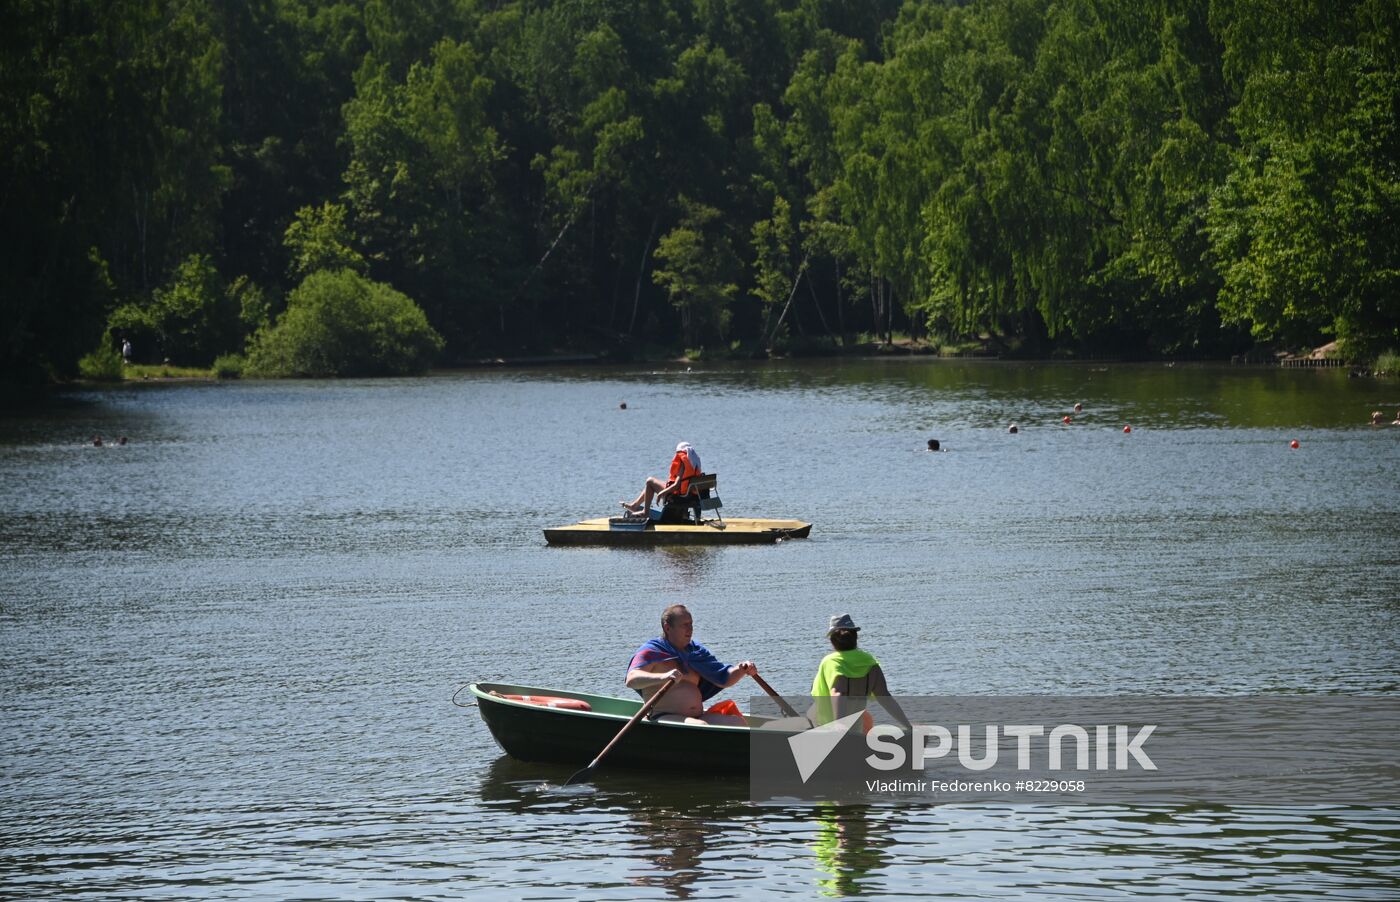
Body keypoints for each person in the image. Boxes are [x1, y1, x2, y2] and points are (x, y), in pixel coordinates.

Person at [625, 604, 756, 725]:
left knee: (738, 723)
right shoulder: (652, 651)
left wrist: (742, 669)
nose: (690, 629)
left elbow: (724, 678)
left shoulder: (696, 651)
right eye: (684, 625)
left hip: (698, 716)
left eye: (691, 624)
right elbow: (631, 679)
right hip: (663, 716)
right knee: (701, 726)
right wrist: (663, 677)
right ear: (667, 628)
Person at [811, 614, 911, 731]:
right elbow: (885, 698)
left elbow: (838, 693)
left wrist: (839, 725)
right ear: (856, 637)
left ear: (832, 640)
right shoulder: (870, 661)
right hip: (856, 731)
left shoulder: (831, 662)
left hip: (830, 731)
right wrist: (908, 726)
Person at [621, 442, 702, 517]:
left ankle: (645, 512)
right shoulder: (694, 463)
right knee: (652, 484)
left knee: (650, 481)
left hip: (678, 496)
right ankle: (635, 505)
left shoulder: (683, 464)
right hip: (690, 494)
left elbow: (676, 485)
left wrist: (661, 493)